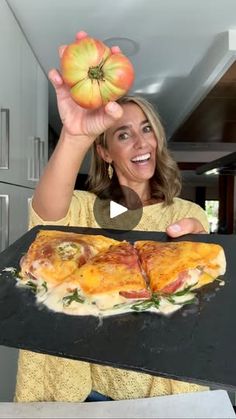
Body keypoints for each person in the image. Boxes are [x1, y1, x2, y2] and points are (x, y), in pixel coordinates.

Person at [14, 31, 209, 402]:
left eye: (146, 129)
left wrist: (197, 249)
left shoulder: (187, 213)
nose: (141, 143)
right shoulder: (84, 209)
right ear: (104, 152)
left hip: (157, 387)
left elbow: (198, 302)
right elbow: (43, 217)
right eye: (123, 134)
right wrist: (74, 135)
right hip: (86, 387)